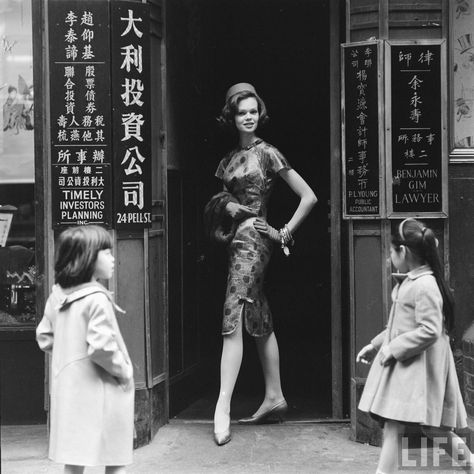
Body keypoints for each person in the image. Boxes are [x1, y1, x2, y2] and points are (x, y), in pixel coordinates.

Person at [207, 82, 317, 446]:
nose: (249, 116)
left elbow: (308, 197)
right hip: (234, 243)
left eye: (253, 111)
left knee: (233, 314)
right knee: (256, 313)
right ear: (232, 117)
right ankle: (274, 395)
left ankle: (222, 406)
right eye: (242, 112)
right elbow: (218, 203)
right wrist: (227, 206)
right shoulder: (227, 160)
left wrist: (280, 232)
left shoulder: (268, 153)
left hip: (255, 242)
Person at [357, 218, 473, 474]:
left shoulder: (425, 285)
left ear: (404, 252)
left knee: (431, 428)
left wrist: (392, 349)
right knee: (398, 426)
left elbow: (429, 331)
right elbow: (398, 325)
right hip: (411, 367)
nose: (389, 256)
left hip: (422, 368)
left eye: (391, 250)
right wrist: (375, 344)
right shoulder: (413, 281)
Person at [36, 225, 134, 474]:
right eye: (107, 253)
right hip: (104, 392)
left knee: (74, 460)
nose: (113, 258)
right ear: (88, 257)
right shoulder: (97, 298)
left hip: (71, 393)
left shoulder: (57, 296)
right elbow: (101, 348)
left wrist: (69, 352)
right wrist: (123, 371)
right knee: (114, 459)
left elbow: (45, 337)